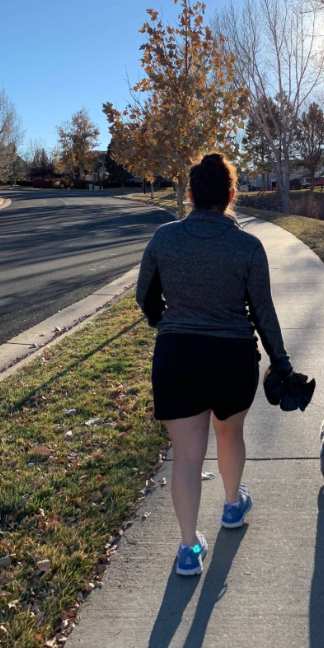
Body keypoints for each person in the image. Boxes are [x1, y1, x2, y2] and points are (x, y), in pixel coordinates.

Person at [136, 154, 295, 576]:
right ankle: (230, 506)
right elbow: (264, 311)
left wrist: (164, 321)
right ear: (230, 195)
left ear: (189, 195)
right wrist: (281, 361)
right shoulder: (247, 246)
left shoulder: (163, 239)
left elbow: (145, 299)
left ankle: (188, 550)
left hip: (177, 356)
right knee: (229, 435)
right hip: (231, 359)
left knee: (186, 457)